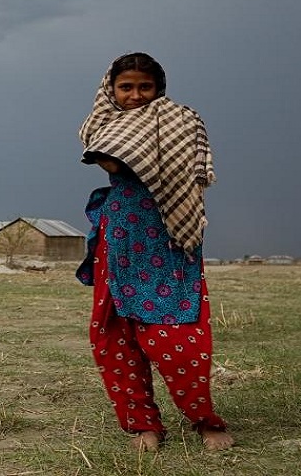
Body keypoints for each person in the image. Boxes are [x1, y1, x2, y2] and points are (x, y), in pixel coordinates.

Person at [76, 52, 233, 452]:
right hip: (122, 239)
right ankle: (143, 424)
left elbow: (190, 170)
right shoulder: (102, 124)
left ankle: (204, 421)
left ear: (159, 89)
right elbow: (111, 161)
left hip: (171, 239)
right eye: (125, 87)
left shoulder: (184, 121)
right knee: (114, 333)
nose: (135, 95)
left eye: (145, 87)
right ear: (111, 89)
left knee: (179, 333)